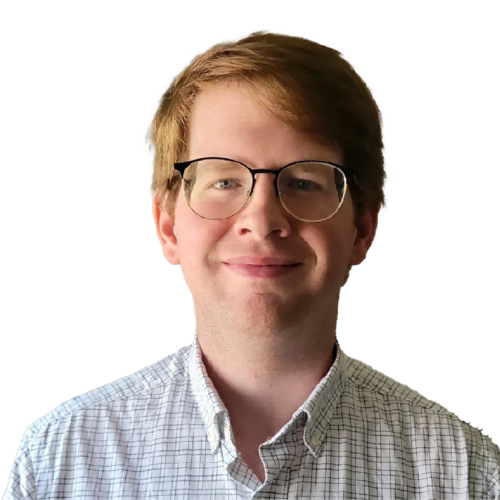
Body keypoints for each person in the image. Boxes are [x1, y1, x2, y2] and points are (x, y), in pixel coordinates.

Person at [3, 31, 499, 500]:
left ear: (362, 229)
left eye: (304, 181)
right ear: (169, 226)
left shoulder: (467, 475)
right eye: (223, 181)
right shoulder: (58, 463)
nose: (261, 220)